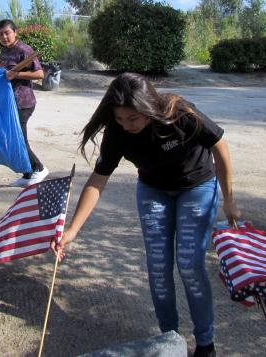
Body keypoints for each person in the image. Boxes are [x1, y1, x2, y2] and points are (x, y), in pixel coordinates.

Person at [51, 73, 241, 357]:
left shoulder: (179, 112)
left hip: (197, 186)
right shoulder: (118, 133)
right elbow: (98, 180)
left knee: (189, 264)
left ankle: (205, 343)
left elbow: (220, 145)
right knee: (158, 268)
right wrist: (73, 230)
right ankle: (170, 339)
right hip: (154, 190)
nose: (126, 126)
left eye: (133, 119)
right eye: (120, 119)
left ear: (149, 108)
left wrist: (229, 201)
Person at [0, 19, 49, 186]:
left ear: (15, 32)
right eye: (0, 34)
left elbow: (40, 74)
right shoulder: (4, 51)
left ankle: (39, 168)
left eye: (7, 33)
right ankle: (27, 174)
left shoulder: (24, 50)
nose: (4, 37)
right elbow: (4, 74)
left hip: (23, 102)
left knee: (19, 138)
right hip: (10, 102)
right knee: (13, 138)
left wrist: (16, 74)